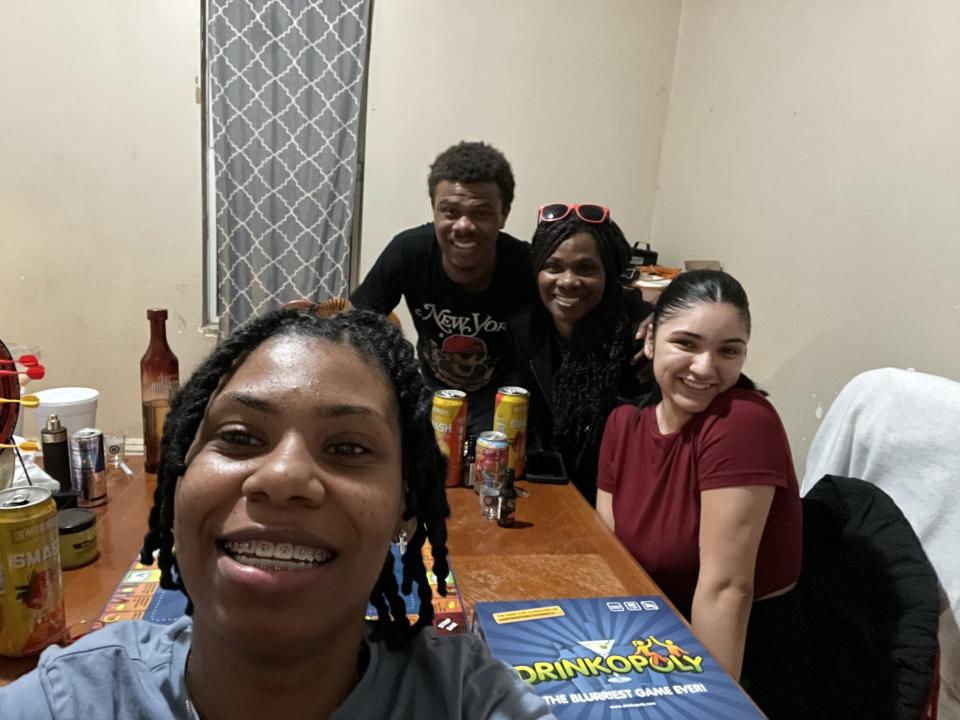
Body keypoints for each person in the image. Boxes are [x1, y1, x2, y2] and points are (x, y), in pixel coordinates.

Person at [0, 309, 554, 720]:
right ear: (175, 481)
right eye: (239, 436)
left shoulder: (467, 702)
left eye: (347, 448)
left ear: (404, 511)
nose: (282, 477)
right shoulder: (71, 703)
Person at [595, 270, 802, 690]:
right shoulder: (623, 425)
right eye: (686, 344)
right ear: (650, 338)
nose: (706, 368)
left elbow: (728, 590)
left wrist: (706, 702)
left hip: (738, 656)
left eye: (728, 351)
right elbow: (612, 560)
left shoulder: (740, 422)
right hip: (653, 633)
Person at [350, 141, 536, 436]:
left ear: (504, 213)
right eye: (450, 211)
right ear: (434, 210)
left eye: (481, 213)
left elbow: (582, 307)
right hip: (431, 394)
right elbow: (357, 321)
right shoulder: (408, 252)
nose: (464, 225)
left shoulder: (526, 265)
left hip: (503, 403)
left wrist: (639, 316)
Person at [510, 204, 652, 505]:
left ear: (608, 272)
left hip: (621, 499)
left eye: (586, 268)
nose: (568, 281)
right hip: (548, 491)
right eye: (554, 266)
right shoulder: (525, 328)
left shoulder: (641, 334)